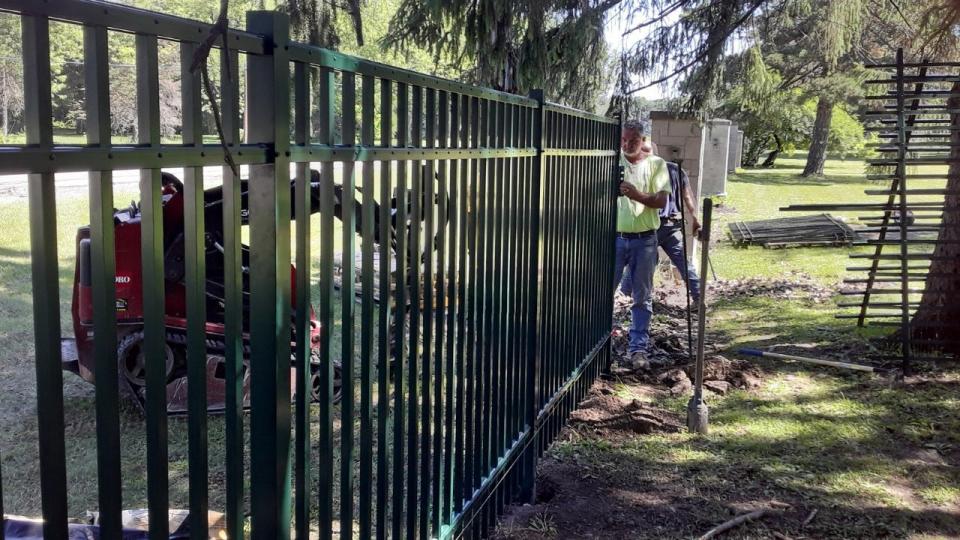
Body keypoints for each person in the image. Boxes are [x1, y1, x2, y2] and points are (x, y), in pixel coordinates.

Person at [614, 121, 670, 366]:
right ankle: (601, 342)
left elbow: (661, 201)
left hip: (645, 240)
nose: (627, 145)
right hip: (614, 239)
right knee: (601, 293)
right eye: (624, 140)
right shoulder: (612, 162)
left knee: (642, 297)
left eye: (633, 141)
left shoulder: (657, 165)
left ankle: (638, 350)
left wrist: (636, 194)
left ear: (643, 139)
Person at [622, 160, 702, 301]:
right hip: (673, 224)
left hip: (653, 225)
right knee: (683, 262)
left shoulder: (649, 171)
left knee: (639, 259)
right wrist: (695, 219)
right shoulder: (677, 170)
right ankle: (699, 297)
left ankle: (625, 295)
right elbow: (688, 197)